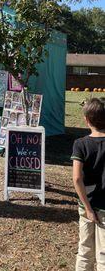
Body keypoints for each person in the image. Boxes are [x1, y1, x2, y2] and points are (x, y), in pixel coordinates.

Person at [71, 98, 105, 270]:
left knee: (84, 250)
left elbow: (77, 178)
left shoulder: (81, 144)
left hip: (86, 205)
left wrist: (88, 209)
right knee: (104, 255)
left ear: (86, 120)